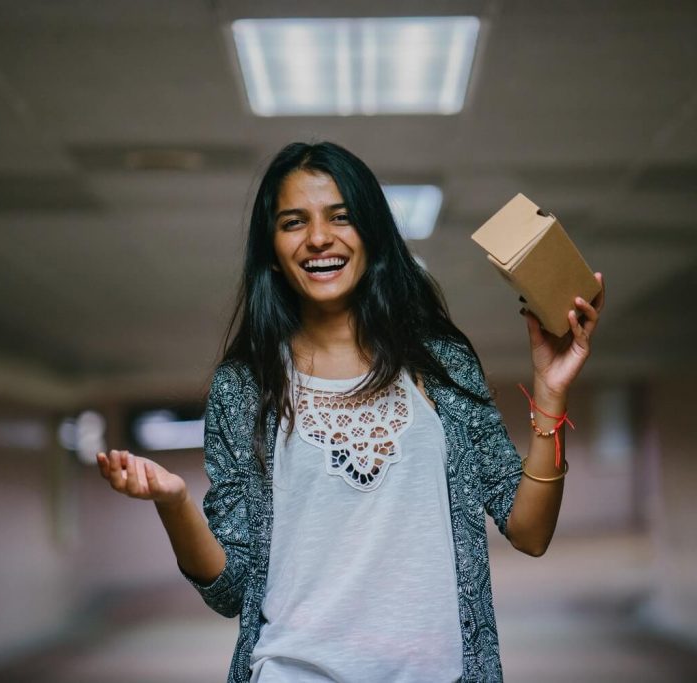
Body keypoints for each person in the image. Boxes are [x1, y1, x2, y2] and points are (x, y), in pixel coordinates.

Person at [97, 141, 604, 682]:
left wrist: (550, 395)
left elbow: (529, 532)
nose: (319, 237)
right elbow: (230, 589)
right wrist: (174, 504)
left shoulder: (439, 364)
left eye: (341, 217)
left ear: (372, 233)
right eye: (294, 222)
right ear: (271, 248)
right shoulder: (245, 386)